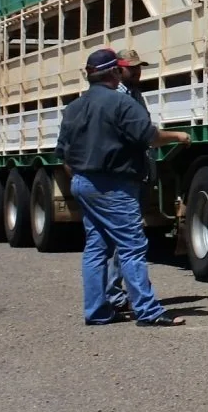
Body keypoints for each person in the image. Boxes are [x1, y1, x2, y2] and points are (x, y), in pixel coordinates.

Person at [58, 47, 189, 327]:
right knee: (132, 246)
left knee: (96, 248)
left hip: (83, 182)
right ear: (115, 72)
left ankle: (97, 311)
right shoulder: (121, 104)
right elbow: (149, 137)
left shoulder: (73, 108)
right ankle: (148, 311)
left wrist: (83, 178)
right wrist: (178, 135)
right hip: (114, 185)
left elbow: (63, 155)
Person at [100, 50, 156, 317]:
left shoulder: (135, 94)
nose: (137, 72)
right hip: (121, 174)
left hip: (136, 171)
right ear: (118, 70)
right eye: (131, 68)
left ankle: (114, 292)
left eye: (138, 67)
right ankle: (118, 294)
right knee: (126, 238)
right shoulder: (118, 97)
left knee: (126, 238)